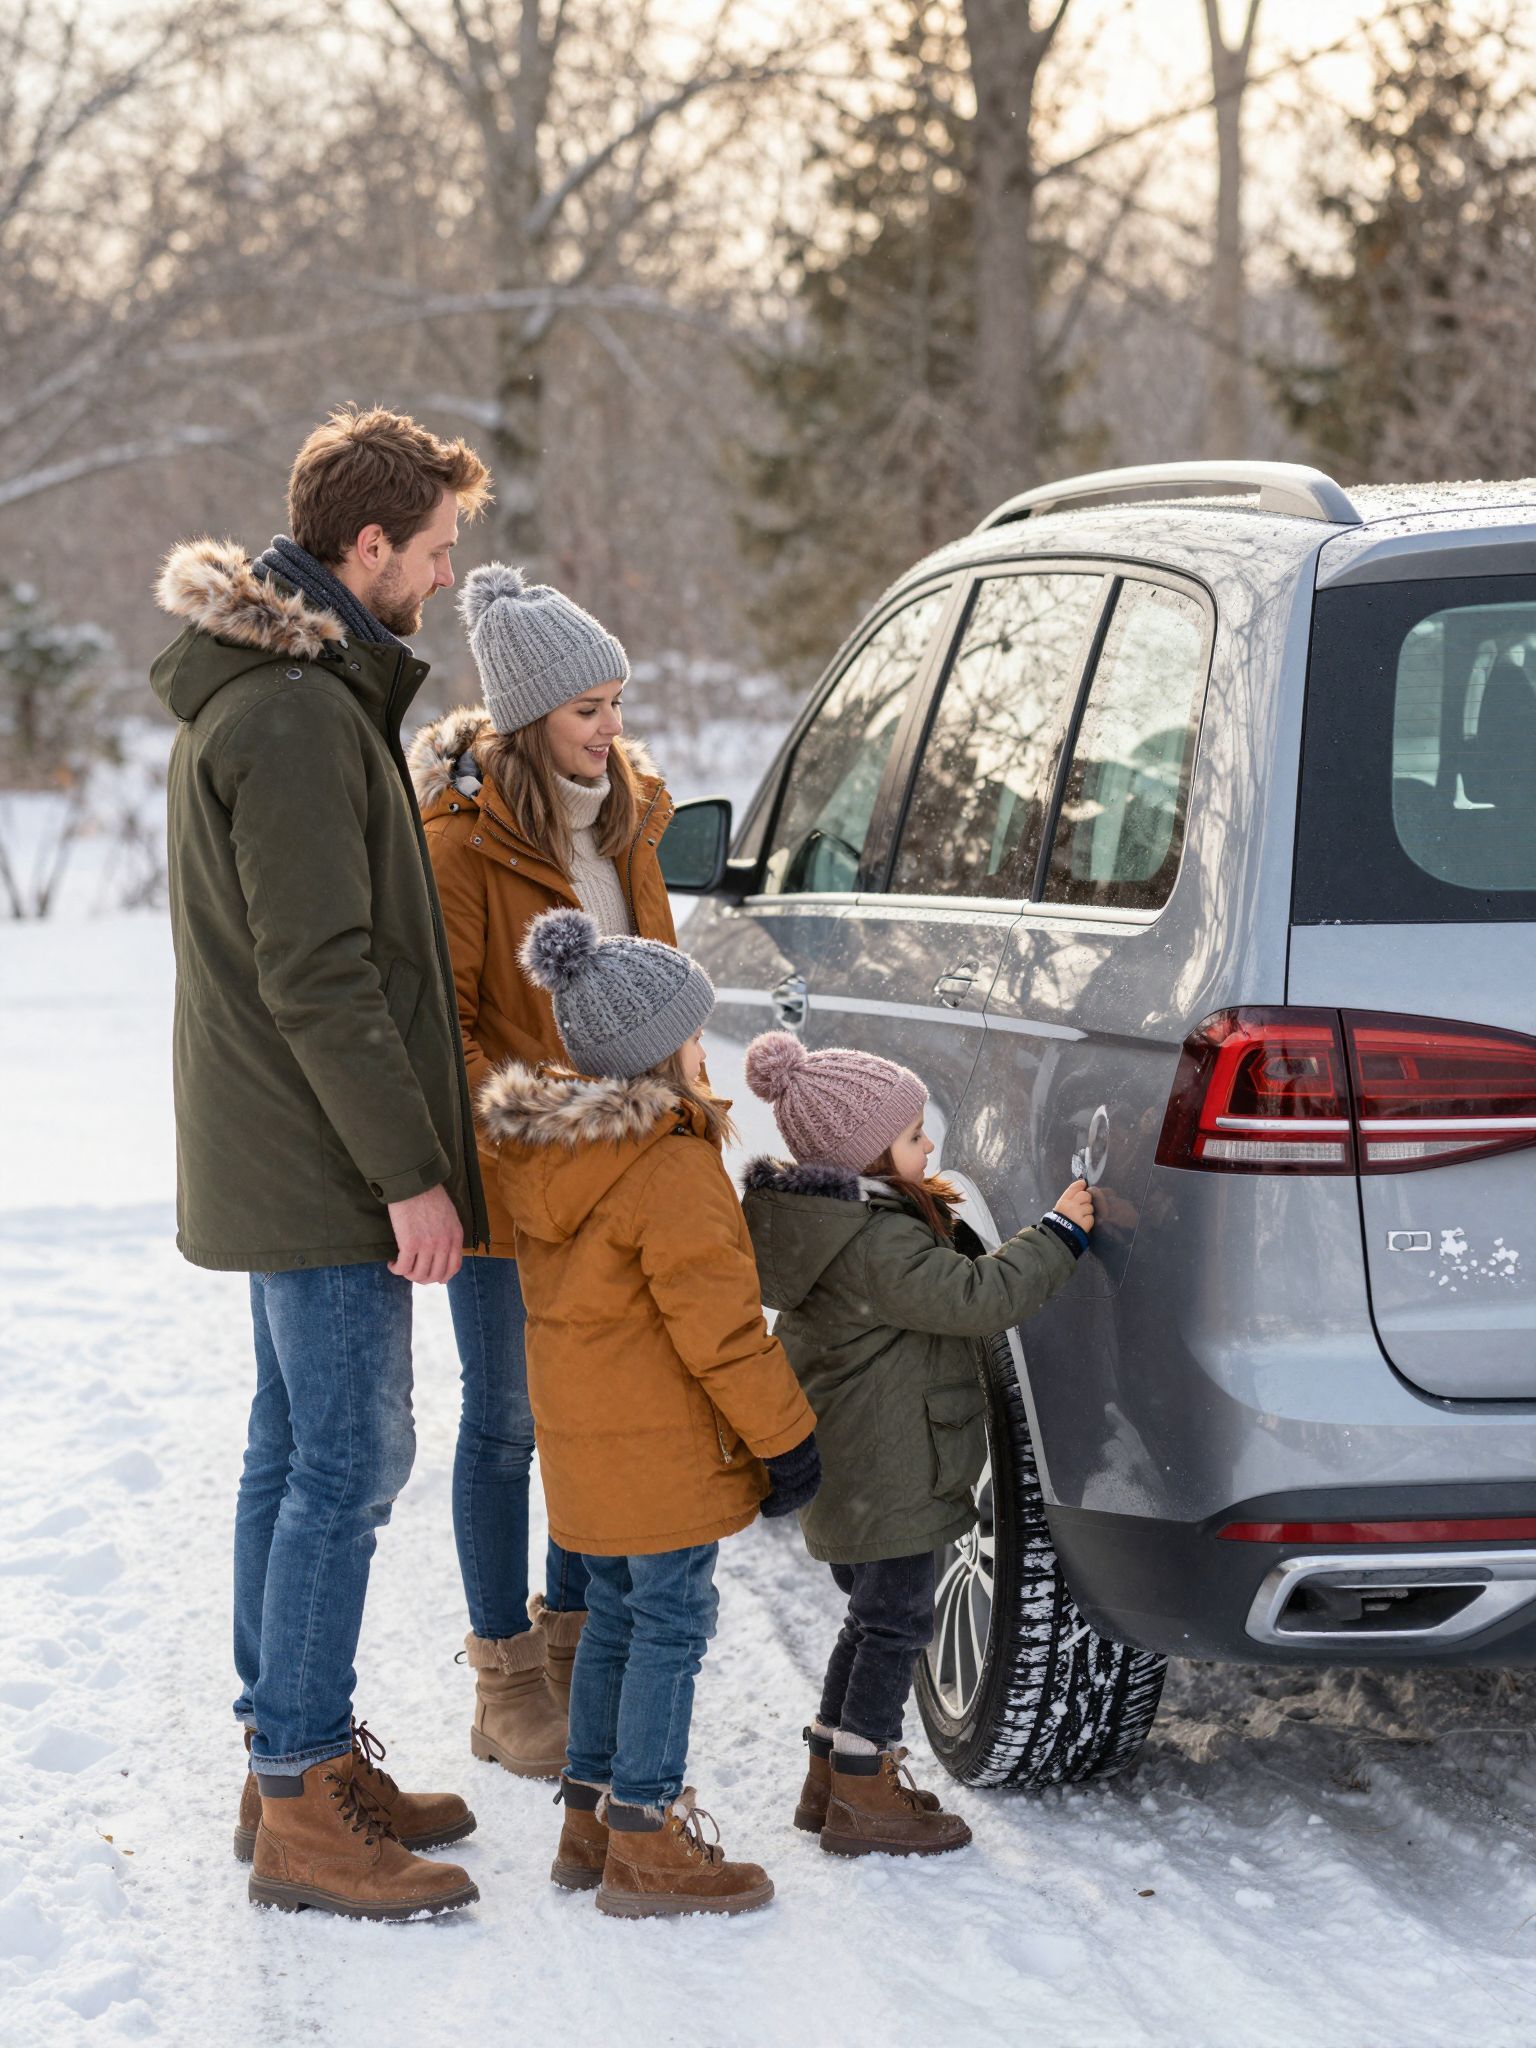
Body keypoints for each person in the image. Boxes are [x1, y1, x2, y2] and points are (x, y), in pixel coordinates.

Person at [151, 404, 493, 1921]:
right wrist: (412, 1176)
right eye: (429, 555)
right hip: (320, 1161)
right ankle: (299, 1792)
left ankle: (285, 1760)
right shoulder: (294, 716)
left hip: (283, 1146)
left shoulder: (292, 692)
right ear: (366, 550)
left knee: (293, 1449)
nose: (438, 581)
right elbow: (322, 976)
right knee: (347, 1460)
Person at [476, 909, 819, 1917]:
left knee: (614, 1613)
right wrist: (789, 1438)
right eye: (693, 1032)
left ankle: (592, 1816)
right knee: (670, 1620)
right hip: (663, 1452)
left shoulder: (553, 1157)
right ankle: (647, 1834)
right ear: (665, 1048)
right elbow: (722, 1334)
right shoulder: (668, 1166)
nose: (702, 1049)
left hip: (589, 1453)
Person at [408, 564, 686, 1776]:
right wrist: (531, 1140)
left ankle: (577, 1647)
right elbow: (450, 1030)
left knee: (593, 1410)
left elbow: (665, 987)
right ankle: (503, 1671)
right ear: (530, 721)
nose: (612, 730)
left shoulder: (629, 820)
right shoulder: (458, 846)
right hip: (514, 1181)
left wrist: (690, 1124)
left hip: (632, 1174)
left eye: (618, 703)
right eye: (590, 710)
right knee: (509, 1418)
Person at [740, 1031, 1095, 1858]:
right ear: (867, 1156)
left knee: (871, 1622)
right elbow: (976, 1296)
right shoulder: (877, 1242)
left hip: (864, 1468)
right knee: (897, 1623)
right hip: (889, 1472)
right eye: (910, 1136)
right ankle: (866, 1790)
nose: (927, 1143)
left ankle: (830, 1774)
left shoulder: (842, 1227)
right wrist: (1058, 1234)